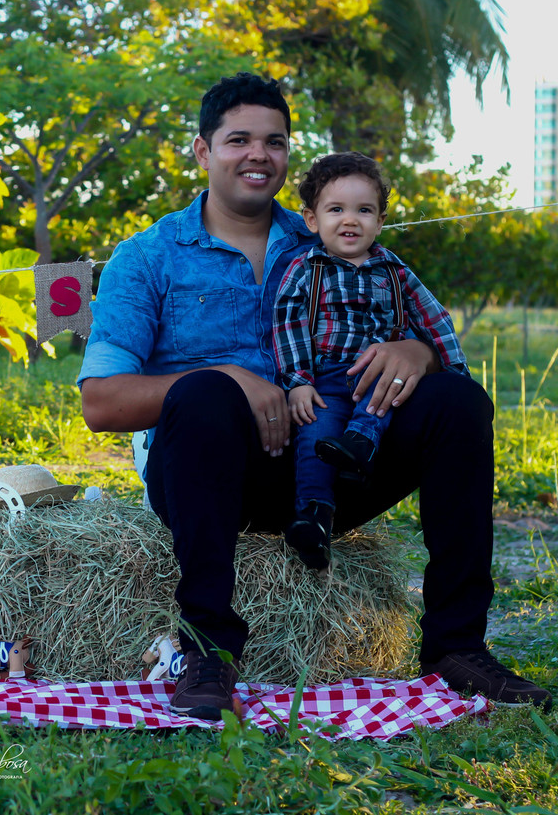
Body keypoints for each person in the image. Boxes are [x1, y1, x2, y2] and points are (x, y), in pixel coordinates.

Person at [78, 72, 552, 720]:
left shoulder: (327, 236)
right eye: (237, 139)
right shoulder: (149, 256)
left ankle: (456, 646)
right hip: (205, 472)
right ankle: (207, 648)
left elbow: (415, 318)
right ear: (201, 149)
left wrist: (420, 353)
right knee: (209, 395)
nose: (257, 154)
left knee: (457, 402)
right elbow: (101, 402)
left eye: (274, 142)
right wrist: (228, 379)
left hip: (324, 468)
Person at [273, 152, 468, 571]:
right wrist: (298, 381)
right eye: (336, 210)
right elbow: (287, 324)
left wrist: (456, 371)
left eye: (364, 211)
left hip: (379, 373)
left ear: (380, 222)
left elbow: (434, 318)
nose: (350, 220)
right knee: (315, 433)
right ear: (312, 220)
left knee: (380, 405)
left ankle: (360, 442)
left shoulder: (394, 270)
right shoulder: (306, 269)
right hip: (324, 377)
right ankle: (315, 515)